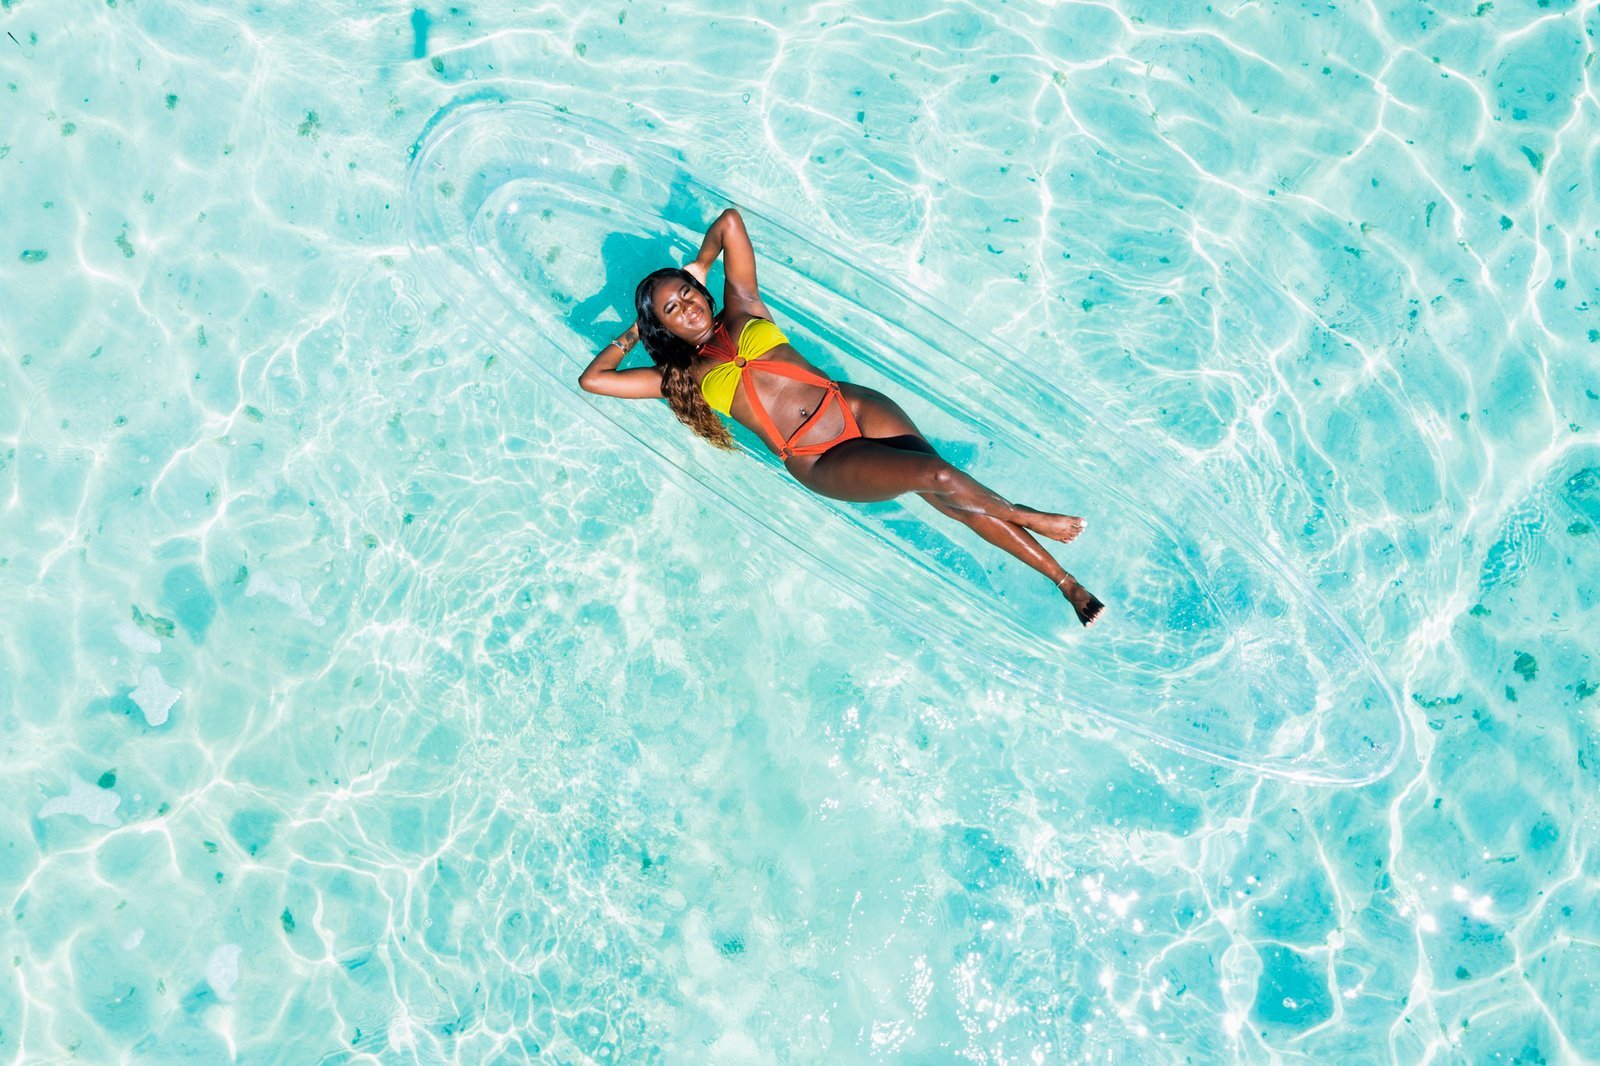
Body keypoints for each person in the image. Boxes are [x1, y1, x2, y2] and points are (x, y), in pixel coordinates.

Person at [579, 208, 1105, 627]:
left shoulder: (742, 306)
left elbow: (730, 222)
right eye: (672, 309)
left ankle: (1067, 584)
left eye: (687, 293)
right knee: (940, 477)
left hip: (852, 406)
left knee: (951, 499)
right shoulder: (680, 378)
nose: (688, 305)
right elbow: (595, 379)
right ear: (663, 328)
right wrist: (637, 328)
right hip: (820, 458)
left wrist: (699, 263)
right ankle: (1026, 515)